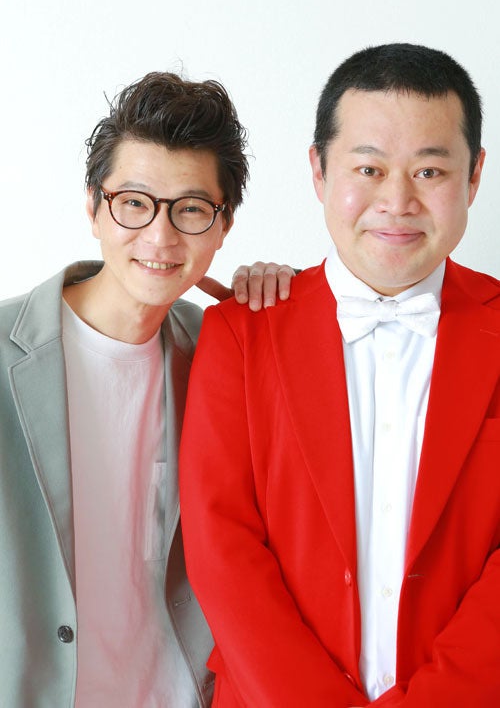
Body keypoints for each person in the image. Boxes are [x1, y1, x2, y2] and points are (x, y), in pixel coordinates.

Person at [179, 43, 500, 707]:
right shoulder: (241, 331)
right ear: (319, 172)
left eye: (430, 171)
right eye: (369, 168)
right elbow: (222, 549)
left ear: (474, 178)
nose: (397, 201)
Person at [0, 71, 293, 707]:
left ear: (223, 225)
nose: (161, 237)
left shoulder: (222, 352)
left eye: (190, 209)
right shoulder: (6, 352)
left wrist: (286, 308)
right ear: (93, 206)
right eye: (134, 202)